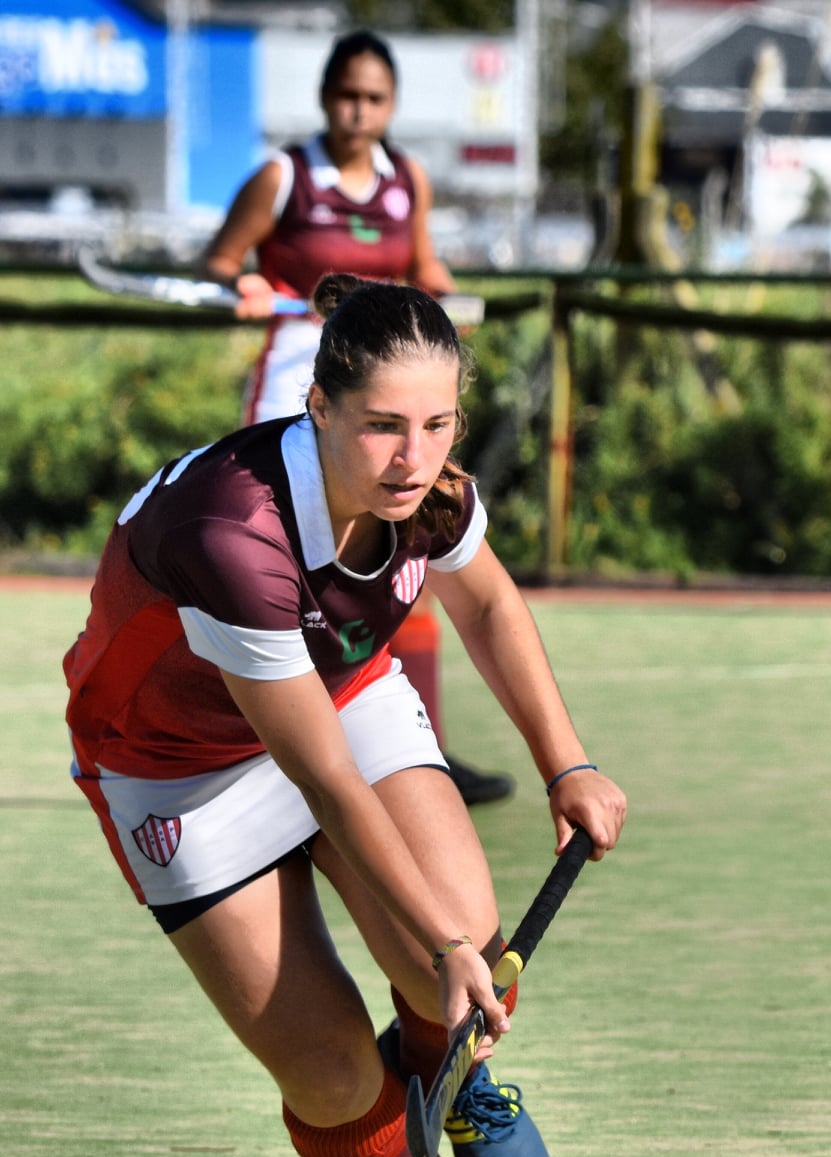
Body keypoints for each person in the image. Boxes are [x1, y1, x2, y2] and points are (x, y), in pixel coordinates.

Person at [64, 276, 628, 1157]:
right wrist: (444, 951)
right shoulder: (230, 535)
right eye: (380, 427)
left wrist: (566, 765)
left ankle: (440, 1080)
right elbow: (320, 778)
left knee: (454, 940)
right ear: (316, 406)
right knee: (330, 1076)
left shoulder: (434, 494)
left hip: (340, 689)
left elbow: (489, 602)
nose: (411, 458)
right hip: (175, 763)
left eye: (436, 423)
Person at [203, 28, 512, 808]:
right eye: (347, 96)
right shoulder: (283, 177)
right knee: (291, 572)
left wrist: (444, 296)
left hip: (394, 400)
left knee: (410, 560)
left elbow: (424, 266)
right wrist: (235, 283)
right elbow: (220, 259)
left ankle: (419, 742)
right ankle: (278, 743)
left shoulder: (406, 179)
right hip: (300, 391)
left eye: (373, 99)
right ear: (325, 99)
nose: (358, 112)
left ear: (391, 105)